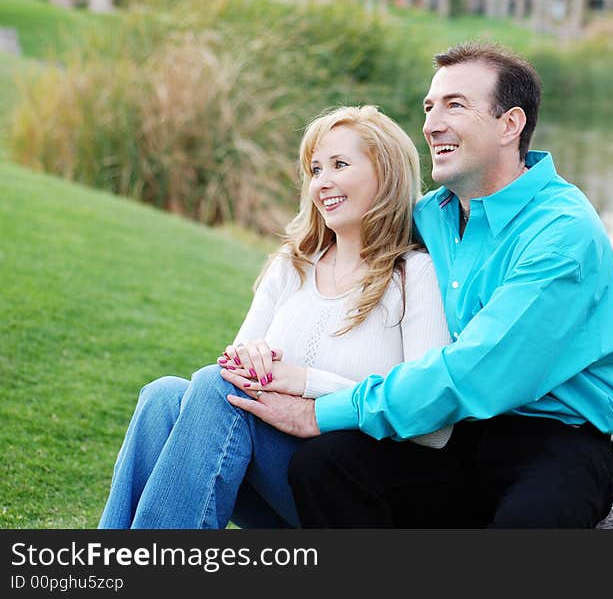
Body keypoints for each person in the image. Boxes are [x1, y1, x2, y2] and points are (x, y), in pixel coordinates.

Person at [227, 43, 613, 528]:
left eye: (454, 105)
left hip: (553, 440)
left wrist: (321, 409)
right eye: (428, 106)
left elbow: (479, 370)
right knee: (325, 466)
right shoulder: (429, 216)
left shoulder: (562, 233)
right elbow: (351, 248)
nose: (431, 123)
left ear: (510, 125)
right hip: (453, 435)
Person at [98, 105, 452, 529]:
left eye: (340, 164)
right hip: (268, 471)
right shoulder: (293, 264)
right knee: (163, 397)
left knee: (212, 386)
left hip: (344, 492)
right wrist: (252, 360)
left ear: (386, 174)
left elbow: (434, 428)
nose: (323, 182)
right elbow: (233, 371)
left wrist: (306, 383)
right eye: (316, 169)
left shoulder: (416, 276)